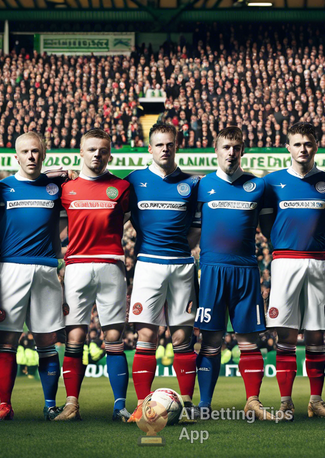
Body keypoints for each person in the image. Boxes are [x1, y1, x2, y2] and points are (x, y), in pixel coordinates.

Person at [258, 122, 325, 419]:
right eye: (297, 144)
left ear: (316, 146)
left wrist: (319, 244)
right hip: (284, 262)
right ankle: (285, 401)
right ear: (288, 147)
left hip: (319, 261)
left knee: (317, 334)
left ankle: (316, 401)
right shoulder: (271, 183)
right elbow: (266, 224)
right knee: (286, 335)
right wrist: (281, 243)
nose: (303, 149)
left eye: (308, 143)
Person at [192, 127, 275, 421]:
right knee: (211, 340)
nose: (231, 152)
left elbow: (270, 228)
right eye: (226, 147)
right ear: (216, 150)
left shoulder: (259, 186)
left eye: (236, 147)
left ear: (243, 150)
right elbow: (191, 229)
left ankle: (253, 400)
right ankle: (204, 403)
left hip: (246, 271)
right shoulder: (201, 186)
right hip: (212, 270)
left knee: (249, 341)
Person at [55, 128, 134, 422]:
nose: (97, 155)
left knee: (114, 338)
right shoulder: (66, 188)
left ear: (109, 154)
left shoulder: (122, 188)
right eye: (91, 150)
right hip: (76, 266)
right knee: (75, 336)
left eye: (102, 150)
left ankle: (120, 406)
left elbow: (124, 219)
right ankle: (72, 404)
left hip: (112, 265)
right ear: (81, 153)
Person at [0, 132, 67, 421]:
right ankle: (5, 405)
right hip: (11, 268)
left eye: (36, 151)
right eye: (25, 152)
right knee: (6, 339)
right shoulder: (1, 188)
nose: (31, 156)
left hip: (46, 267)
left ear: (43, 154)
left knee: (46, 340)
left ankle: (50, 405)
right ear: (16, 157)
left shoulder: (55, 188)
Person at [125, 124, 201, 422]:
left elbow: (196, 228)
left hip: (181, 264)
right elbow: (125, 219)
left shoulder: (192, 183)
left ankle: (187, 404)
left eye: (169, 144)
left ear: (176, 146)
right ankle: (143, 403)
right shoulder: (134, 181)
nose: (164, 149)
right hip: (147, 263)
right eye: (159, 145)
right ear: (150, 149)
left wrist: (180, 250)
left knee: (183, 335)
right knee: (146, 334)